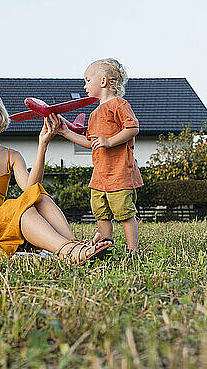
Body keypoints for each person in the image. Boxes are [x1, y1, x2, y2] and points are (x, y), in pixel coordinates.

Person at [0, 89, 112, 263]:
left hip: (1, 222)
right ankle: (68, 250)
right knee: (18, 208)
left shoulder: (13, 156)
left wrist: (43, 144)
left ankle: (74, 245)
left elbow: (31, 191)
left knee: (39, 195)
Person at [57, 58, 143, 253]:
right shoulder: (95, 113)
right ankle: (106, 244)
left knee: (124, 213)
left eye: (87, 80)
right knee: (101, 213)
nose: (84, 85)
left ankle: (133, 251)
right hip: (100, 176)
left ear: (103, 81)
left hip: (120, 173)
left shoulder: (118, 104)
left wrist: (109, 141)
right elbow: (91, 144)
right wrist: (65, 132)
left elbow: (133, 127)